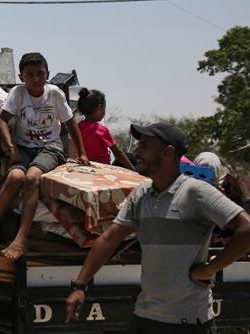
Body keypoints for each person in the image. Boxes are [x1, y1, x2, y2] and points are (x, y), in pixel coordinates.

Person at [65, 123, 250, 333]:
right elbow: (109, 239)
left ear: (168, 152)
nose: (136, 151)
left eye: (145, 146)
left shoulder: (197, 193)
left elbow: (246, 228)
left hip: (187, 322)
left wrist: (210, 270)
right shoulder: (141, 194)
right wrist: (79, 286)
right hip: (144, 317)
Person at [0, 52, 89, 259]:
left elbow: (70, 123)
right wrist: (11, 147)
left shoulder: (54, 94)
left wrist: (81, 153)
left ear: (47, 74)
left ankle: (22, 238)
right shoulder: (18, 94)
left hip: (50, 148)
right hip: (24, 148)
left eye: (40, 74)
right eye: (30, 75)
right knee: (14, 178)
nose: (36, 79)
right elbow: (2, 120)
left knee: (32, 178)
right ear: (21, 77)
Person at [76, 88, 135, 170]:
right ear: (99, 108)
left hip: (83, 166)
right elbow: (118, 153)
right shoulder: (101, 130)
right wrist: (133, 169)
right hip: (102, 169)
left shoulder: (77, 128)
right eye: (104, 108)